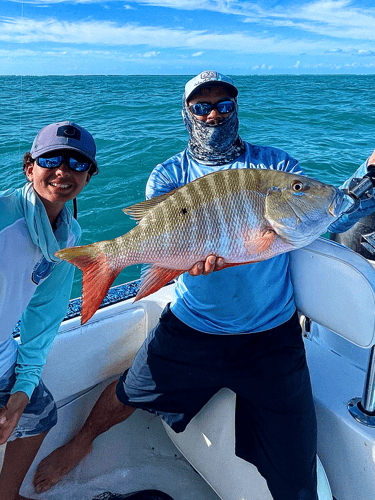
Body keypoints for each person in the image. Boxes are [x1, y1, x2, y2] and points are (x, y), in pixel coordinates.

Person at [33, 72, 375, 500]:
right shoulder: (168, 175)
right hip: (195, 324)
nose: (214, 115)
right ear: (187, 114)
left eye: (224, 106)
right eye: (202, 107)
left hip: (272, 335)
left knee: (296, 468)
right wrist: (175, 262)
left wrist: (367, 174)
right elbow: (167, 234)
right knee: (128, 391)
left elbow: (328, 213)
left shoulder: (278, 167)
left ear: (235, 110)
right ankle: (81, 441)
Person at [0, 121, 99, 500]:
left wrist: (23, 387)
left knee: (39, 411)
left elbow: (45, 316)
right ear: (30, 168)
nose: (63, 171)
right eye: (51, 159)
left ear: (88, 178)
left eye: (77, 164)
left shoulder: (68, 237)